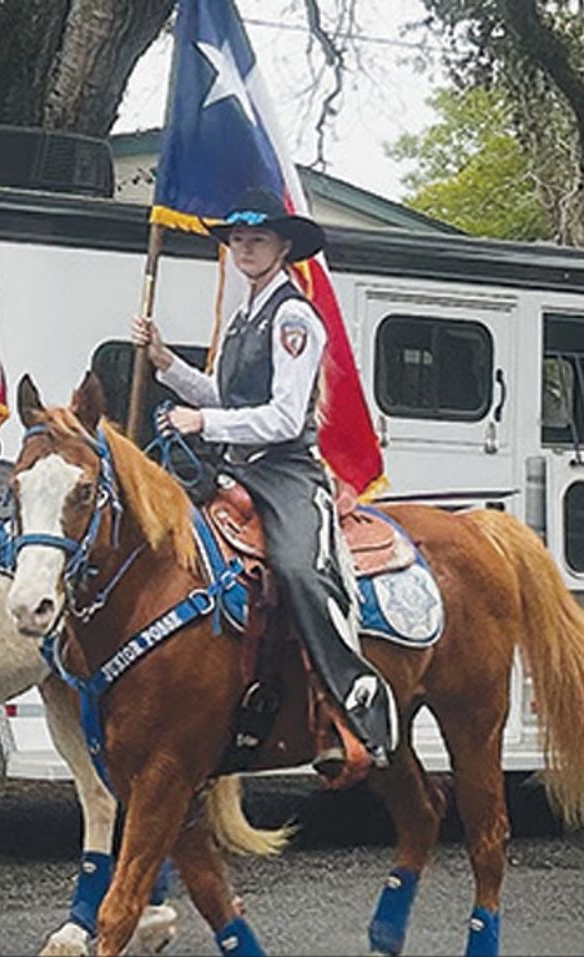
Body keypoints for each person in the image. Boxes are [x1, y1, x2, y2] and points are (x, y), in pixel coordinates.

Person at [131, 187, 397, 769]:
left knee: (303, 571)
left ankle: (351, 710)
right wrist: (166, 364)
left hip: (286, 474)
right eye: (238, 240)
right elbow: (227, 395)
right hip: (234, 467)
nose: (245, 248)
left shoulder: (293, 316)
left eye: (257, 239)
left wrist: (203, 420)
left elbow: (281, 415)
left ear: (281, 247)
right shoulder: (244, 313)